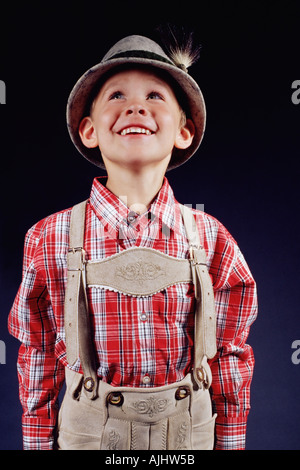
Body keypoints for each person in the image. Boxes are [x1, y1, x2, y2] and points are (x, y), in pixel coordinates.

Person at [8, 33, 257, 450]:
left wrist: (230, 443)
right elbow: (38, 352)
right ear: (89, 130)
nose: (136, 107)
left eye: (155, 96)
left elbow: (231, 354)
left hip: (186, 441)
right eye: (117, 95)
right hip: (88, 437)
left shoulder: (212, 239)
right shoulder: (49, 237)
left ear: (184, 131)